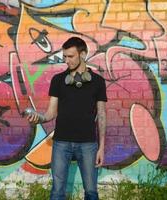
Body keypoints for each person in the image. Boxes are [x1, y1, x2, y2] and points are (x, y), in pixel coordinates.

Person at [26, 37, 107, 200]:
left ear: (82, 54)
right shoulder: (58, 80)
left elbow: (102, 115)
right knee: (57, 191)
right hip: (61, 143)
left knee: (91, 192)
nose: (66, 60)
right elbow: (50, 114)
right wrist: (39, 118)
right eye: (64, 56)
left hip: (88, 144)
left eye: (70, 56)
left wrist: (101, 147)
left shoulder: (98, 82)